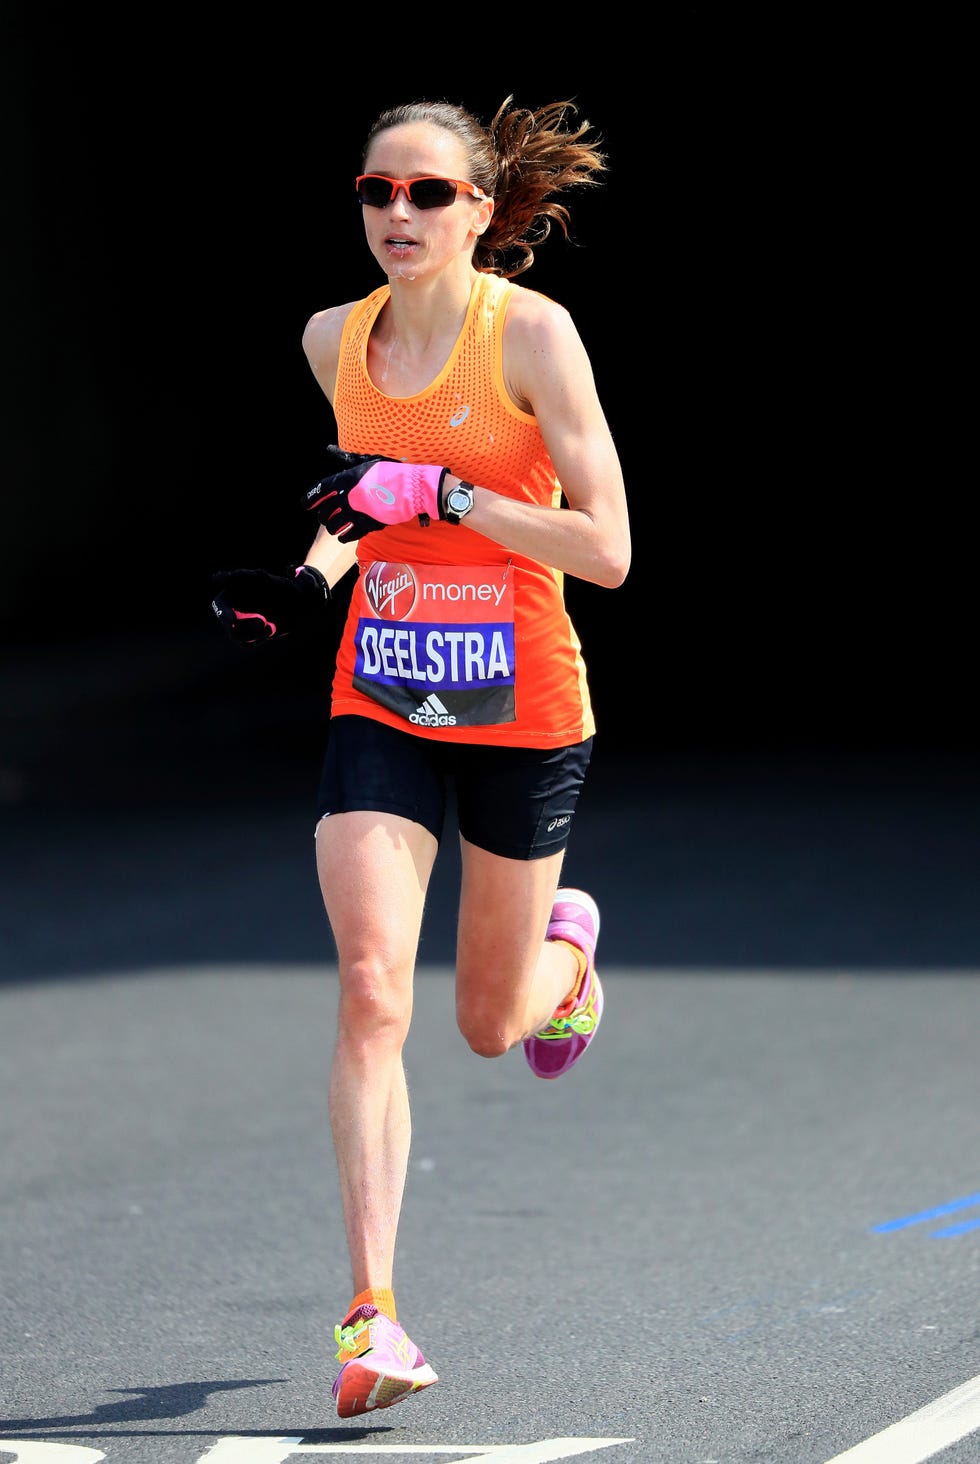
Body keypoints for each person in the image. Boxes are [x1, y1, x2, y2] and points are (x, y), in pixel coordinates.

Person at [210, 94, 631, 1420]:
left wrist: (449, 495)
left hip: (524, 711)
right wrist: (306, 575)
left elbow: (607, 551)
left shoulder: (537, 339)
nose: (398, 214)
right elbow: (358, 508)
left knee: (488, 1025)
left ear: (484, 211)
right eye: (376, 191)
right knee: (374, 989)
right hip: (382, 701)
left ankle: (569, 961)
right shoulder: (333, 338)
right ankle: (372, 1313)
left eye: (428, 195)